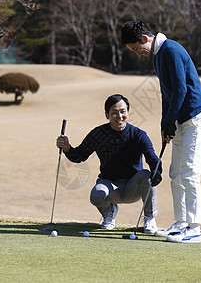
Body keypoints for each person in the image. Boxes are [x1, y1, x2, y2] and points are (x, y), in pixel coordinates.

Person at [121, 20, 201, 243]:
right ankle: (181, 224)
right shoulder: (158, 56)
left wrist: (171, 120)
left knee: (190, 173)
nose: (138, 53)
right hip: (181, 121)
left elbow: (181, 89)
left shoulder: (170, 49)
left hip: (195, 119)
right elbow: (167, 93)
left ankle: (194, 228)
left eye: (136, 49)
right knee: (175, 174)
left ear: (145, 39)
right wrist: (165, 124)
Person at [56, 94, 162, 233]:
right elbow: (80, 156)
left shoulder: (138, 135)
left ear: (128, 113)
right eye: (114, 112)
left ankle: (149, 219)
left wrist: (157, 170)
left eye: (123, 111)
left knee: (147, 175)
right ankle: (109, 214)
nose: (119, 116)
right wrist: (67, 148)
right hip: (110, 186)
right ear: (107, 115)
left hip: (133, 187)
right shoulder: (98, 134)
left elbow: (151, 157)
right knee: (97, 194)